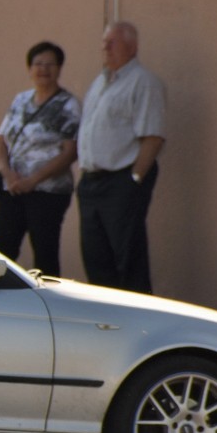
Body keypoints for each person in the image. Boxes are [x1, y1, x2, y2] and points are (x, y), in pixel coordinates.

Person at [76, 21, 166, 293]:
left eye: (112, 42)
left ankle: (138, 320)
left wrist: (134, 179)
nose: (105, 47)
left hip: (121, 181)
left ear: (132, 47)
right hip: (92, 183)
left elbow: (153, 136)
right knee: (95, 258)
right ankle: (106, 321)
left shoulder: (143, 82)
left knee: (128, 259)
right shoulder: (100, 82)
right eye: (104, 42)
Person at [0, 42, 81, 276]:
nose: (43, 69)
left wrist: (33, 180)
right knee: (1, 250)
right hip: (13, 189)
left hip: (48, 192)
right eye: (38, 64)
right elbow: (1, 140)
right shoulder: (21, 100)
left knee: (45, 254)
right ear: (29, 69)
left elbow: (71, 151)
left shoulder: (68, 104)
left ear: (59, 69)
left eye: (50, 64)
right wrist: (7, 173)